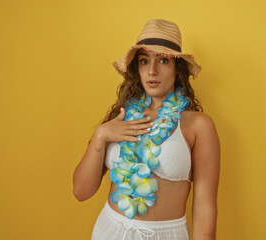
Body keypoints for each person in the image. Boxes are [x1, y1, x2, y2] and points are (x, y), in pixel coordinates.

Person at [73, 18, 220, 240]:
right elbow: (81, 192)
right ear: (137, 68)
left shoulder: (198, 125)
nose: (152, 71)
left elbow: (204, 208)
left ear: (177, 69)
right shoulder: (120, 117)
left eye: (162, 61)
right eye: (144, 61)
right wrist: (100, 135)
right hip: (109, 230)